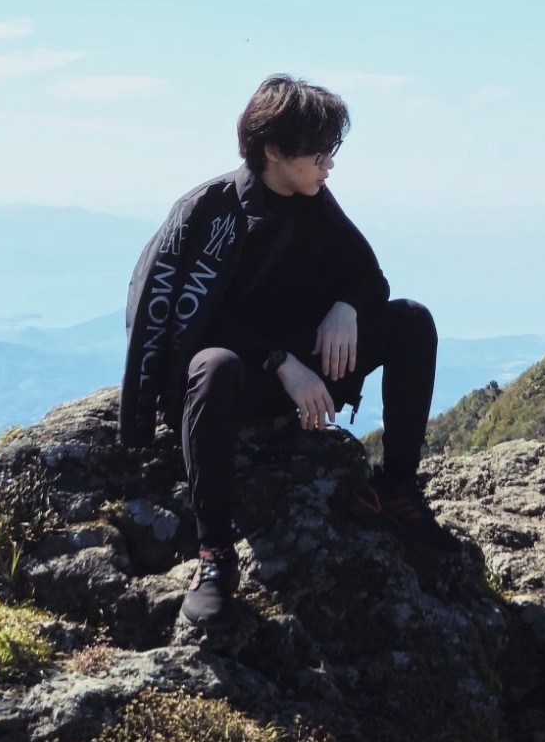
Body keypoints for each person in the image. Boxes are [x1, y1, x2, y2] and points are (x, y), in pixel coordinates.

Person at [119, 74, 459, 624]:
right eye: (319, 153)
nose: (329, 166)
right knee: (215, 365)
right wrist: (279, 361)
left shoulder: (315, 204)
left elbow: (370, 277)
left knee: (410, 322)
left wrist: (347, 306)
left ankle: (397, 487)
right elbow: (188, 330)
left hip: (309, 374)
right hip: (237, 382)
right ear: (274, 151)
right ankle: (214, 554)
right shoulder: (212, 214)